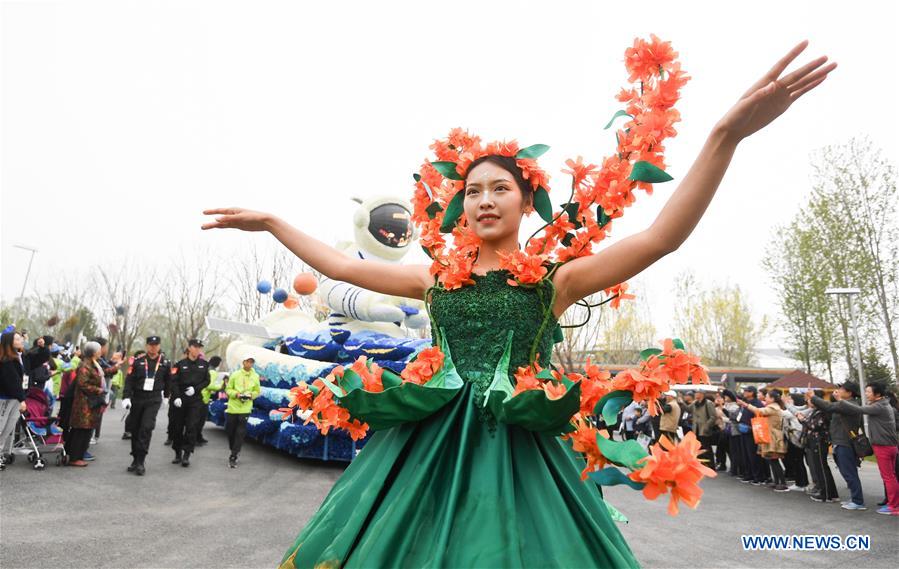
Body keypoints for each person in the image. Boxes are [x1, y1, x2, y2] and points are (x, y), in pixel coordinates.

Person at [203, 40, 834, 567]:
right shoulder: (437, 279)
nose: (483, 200)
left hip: (520, 448)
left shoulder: (552, 280)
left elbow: (660, 237)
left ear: (524, 200)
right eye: (472, 190)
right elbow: (342, 265)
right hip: (424, 443)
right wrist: (274, 222)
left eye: (499, 187)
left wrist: (725, 135)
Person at [828, 382, 899, 516]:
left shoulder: (879, 406)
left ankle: (894, 506)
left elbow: (859, 410)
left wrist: (840, 400)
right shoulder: (883, 404)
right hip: (888, 445)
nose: (865, 394)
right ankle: (893, 504)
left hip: (883, 446)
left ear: (877, 394)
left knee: (889, 477)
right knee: (891, 477)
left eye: (868, 392)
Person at [807, 381, 866, 510]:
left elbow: (827, 406)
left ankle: (858, 501)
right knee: (848, 472)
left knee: (849, 473)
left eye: (842, 389)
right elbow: (830, 408)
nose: (838, 390)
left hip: (845, 443)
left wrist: (813, 396)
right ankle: (856, 498)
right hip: (840, 442)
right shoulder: (845, 404)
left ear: (850, 393)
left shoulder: (849, 405)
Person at [121, 336, 172, 475]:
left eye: (156, 345)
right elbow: (129, 381)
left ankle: (141, 461)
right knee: (135, 429)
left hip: (153, 399)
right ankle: (135, 458)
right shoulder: (138, 362)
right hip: (138, 397)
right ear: (147, 346)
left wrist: (167, 396)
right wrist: (126, 397)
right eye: (150, 345)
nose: (153, 347)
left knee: (146, 428)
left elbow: (168, 381)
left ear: (159, 346)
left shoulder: (165, 363)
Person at [169, 339, 210, 467]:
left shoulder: (204, 364)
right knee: (178, 427)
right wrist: (176, 396)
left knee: (192, 426)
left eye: (199, 347)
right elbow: (173, 381)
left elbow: (207, 381)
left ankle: (187, 454)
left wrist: (196, 389)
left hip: (195, 399)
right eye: (195, 347)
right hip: (181, 399)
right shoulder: (179, 364)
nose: (197, 349)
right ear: (189, 348)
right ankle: (177, 453)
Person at [64, 341, 106, 467]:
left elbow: (102, 374)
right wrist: (98, 390)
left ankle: (75, 454)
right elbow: (82, 384)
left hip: (90, 403)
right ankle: (74, 457)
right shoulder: (85, 365)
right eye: (99, 350)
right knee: (81, 430)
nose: (101, 352)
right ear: (93, 352)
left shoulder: (94, 364)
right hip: (83, 404)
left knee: (85, 430)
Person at [739, 388, 789, 491]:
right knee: (771, 460)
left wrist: (746, 405)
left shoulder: (773, 407)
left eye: (767, 396)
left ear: (772, 399)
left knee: (774, 460)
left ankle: (782, 483)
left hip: (773, 436)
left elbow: (759, 411)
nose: (765, 398)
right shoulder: (773, 406)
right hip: (771, 435)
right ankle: (776, 482)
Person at [224, 356, 260, 467]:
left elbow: (257, 391)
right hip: (233, 407)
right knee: (230, 431)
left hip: (245, 408)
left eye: (251, 362)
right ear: (243, 362)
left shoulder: (255, 376)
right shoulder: (235, 375)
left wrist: (250, 395)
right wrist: (236, 394)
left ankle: (234, 455)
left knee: (240, 432)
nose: (249, 364)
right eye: (248, 361)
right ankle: (233, 448)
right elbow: (228, 389)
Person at [0, 331, 27, 471]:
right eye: (17, 338)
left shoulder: (17, 356)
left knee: (8, 428)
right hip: (5, 398)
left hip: (15, 398)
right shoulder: (6, 360)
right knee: (1, 427)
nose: (21, 340)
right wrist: (21, 399)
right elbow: (12, 382)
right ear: (9, 341)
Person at [196, 355, 223, 446]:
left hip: (198, 395)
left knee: (197, 419)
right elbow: (209, 385)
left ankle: (198, 437)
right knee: (200, 420)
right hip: (203, 398)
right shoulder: (213, 372)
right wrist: (221, 387)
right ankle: (196, 438)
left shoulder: (206, 368)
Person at [687, 390, 717, 466]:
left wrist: (707, 426)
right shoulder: (695, 403)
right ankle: (701, 465)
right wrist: (682, 403)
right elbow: (687, 409)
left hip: (704, 429)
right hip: (696, 429)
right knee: (698, 448)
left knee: (706, 448)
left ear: (702, 394)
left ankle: (710, 465)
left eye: (697, 393)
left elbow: (713, 417)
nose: (695, 394)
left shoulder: (708, 403)